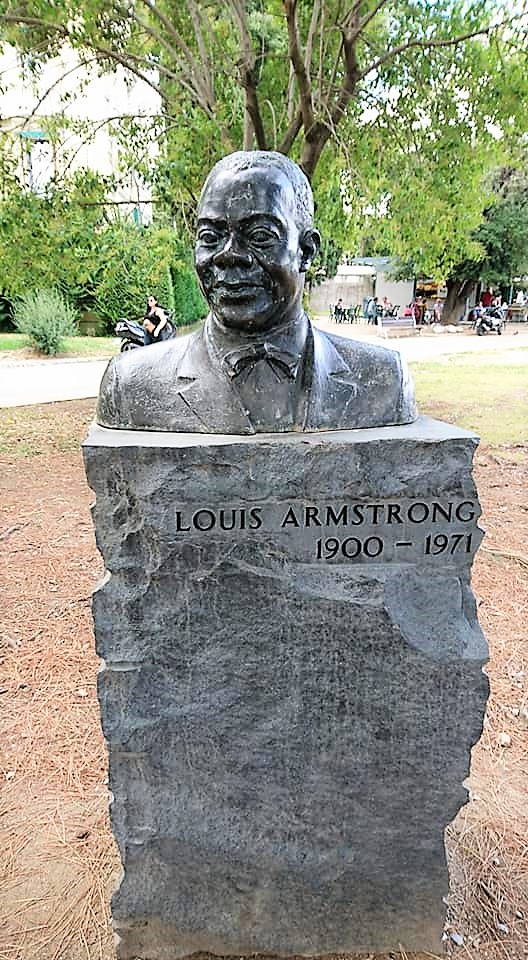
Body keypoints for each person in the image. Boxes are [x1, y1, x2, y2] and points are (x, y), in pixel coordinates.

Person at [97, 151, 415, 434]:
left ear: (306, 251)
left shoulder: (385, 380)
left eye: (260, 236)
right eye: (210, 237)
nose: (229, 255)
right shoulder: (129, 384)